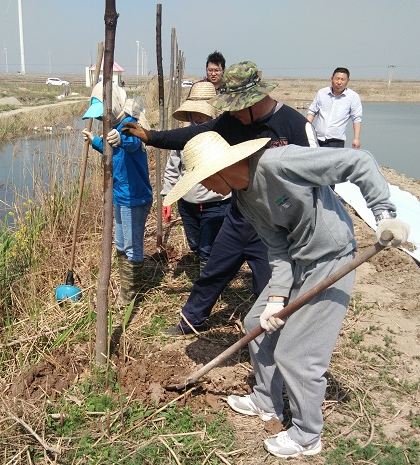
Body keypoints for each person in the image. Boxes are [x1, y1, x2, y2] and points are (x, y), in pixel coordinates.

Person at [162, 131, 410, 458]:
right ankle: (267, 400)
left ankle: (307, 435)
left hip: (331, 259)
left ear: (220, 169)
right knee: (256, 322)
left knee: (297, 354)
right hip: (296, 262)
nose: (205, 189)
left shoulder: (280, 164)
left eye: (203, 180)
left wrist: (384, 215)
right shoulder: (243, 199)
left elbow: (358, 162)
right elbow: (277, 248)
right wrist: (276, 300)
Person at [122, 61, 317, 335]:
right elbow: (195, 134)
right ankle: (191, 321)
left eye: (236, 106)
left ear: (253, 100)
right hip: (240, 215)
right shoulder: (233, 120)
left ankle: (273, 334)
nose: (231, 112)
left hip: (276, 225)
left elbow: (317, 180)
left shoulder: (294, 126)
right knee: (213, 271)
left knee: (270, 284)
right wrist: (152, 136)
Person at [82, 82, 152, 304]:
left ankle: (130, 295)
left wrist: (121, 139)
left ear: (112, 106)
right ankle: (126, 288)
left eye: (102, 114)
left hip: (135, 197)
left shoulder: (129, 123)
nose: (101, 119)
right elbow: (110, 149)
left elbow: (132, 142)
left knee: (131, 246)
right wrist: (95, 141)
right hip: (120, 195)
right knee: (121, 243)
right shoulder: (111, 126)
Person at [161, 81, 228, 269]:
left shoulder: (223, 136)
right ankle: (209, 271)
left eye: (202, 112)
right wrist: (168, 197)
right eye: (195, 111)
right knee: (195, 245)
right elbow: (173, 167)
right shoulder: (184, 136)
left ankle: (208, 282)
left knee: (207, 249)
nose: (198, 116)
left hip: (216, 202)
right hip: (187, 202)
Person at [306, 67, 363, 148]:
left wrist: (356, 138)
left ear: (347, 81)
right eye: (337, 79)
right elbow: (312, 112)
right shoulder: (322, 93)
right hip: (317, 139)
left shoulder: (353, 97)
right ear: (332, 79)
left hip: (336, 142)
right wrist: (305, 130)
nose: (339, 82)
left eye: (342, 79)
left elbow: (356, 119)